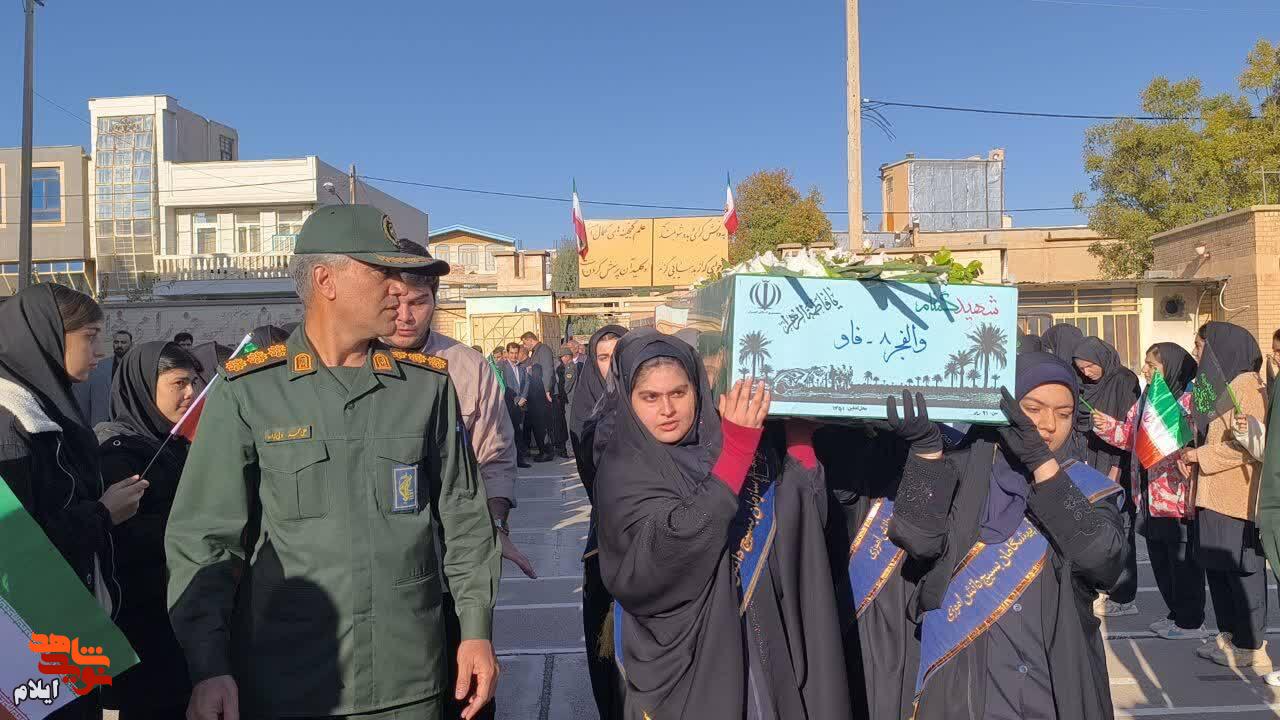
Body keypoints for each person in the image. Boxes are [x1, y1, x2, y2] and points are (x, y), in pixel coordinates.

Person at [165, 204, 501, 720]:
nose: (398, 290)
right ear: (326, 280)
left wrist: (475, 630)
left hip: (410, 677)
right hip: (290, 682)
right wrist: (208, 665)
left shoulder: (425, 387)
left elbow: (464, 518)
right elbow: (206, 540)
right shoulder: (248, 391)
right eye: (382, 272)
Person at [594, 330, 852, 719]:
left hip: (762, 643)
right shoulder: (623, 471)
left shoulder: (724, 439)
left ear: (697, 390)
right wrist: (735, 452)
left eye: (678, 393)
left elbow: (792, 525)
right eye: (650, 397)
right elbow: (666, 552)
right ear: (629, 402)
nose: (667, 409)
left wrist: (799, 442)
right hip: (693, 662)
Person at [907, 351, 1126, 720]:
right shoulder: (961, 470)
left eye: (1064, 414)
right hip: (968, 683)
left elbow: (1106, 564)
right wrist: (925, 454)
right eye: (1033, 409)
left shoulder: (1087, 486)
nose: (1049, 425)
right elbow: (916, 540)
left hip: (1053, 680)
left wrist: (1042, 465)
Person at [383, 238, 527, 720]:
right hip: (381, 576)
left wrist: (496, 525)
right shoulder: (350, 362)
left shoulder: (465, 366)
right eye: (394, 301)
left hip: (454, 571)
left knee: (466, 693)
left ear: (435, 300)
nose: (406, 316)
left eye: (419, 302)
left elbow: (497, 456)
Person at [0, 284, 144, 720]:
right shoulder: (10, 424)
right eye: (90, 336)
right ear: (44, 336)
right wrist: (103, 513)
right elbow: (16, 548)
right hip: (27, 642)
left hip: (64, 630)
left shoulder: (46, 408)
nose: (100, 351)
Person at [816, 393, 961, 720]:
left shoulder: (957, 441)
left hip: (913, 604)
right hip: (846, 594)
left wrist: (926, 445)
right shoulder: (841, 438)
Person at [97, 341, 200, 719]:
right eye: (178, 383)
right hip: (145, 626)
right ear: (142, 386)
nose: (190, 393)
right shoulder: (118, 451)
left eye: (193, 382)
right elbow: (126, 536)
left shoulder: (172, 443)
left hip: (182, 617)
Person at [1092, 343, 1207, 639]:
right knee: (1162, 562)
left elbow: (1196, 443)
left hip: (1176, 499)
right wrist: (1106, 426)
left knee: (1182, 565)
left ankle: (1191, 622)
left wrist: (1187, 453)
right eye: (1146, 364)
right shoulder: (1147, 398)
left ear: (1172, 369)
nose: (1145, 370)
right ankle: (1175, 615)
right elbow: (1132, 437)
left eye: (1153, 366)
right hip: (1148, 497)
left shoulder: (1188, 401)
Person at [1181, 321, 1270, 669]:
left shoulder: (1247, 385)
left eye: (1200, 345)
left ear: (1220, 347)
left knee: (1241, 571)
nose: (1195, 352)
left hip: (1235, 496)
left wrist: (1200, 456)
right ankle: (1230, 636)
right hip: (1209, 494)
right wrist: (1190, 455)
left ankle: (1252, 644)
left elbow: (1252, 447)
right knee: (1217, 569)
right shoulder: (1215, 385)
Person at [568, 325, 627, 720]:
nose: (612, 365)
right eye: (603, 357)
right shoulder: (588, 407)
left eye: (619, 354)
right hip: (607, 538)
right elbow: (589, 471)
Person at [1073, 338, 1142, 617]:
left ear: (1102, 359)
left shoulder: (1123, 381)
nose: (1087, 373)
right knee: (1097, 533)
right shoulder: (1084, 387)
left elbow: (1131, 430)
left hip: (1117, 466)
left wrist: (1116, 469)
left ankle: (1124, 596)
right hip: (1090, 462)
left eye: (1090, 366)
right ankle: (1101, 589)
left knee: (1120, 531)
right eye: (1081, 368)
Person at [74, 328, 133, 425]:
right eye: (116, 342)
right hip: (103, 422)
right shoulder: (99, 367)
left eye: (123, 342)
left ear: (131, 344)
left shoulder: (137, 367)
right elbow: (85, 398)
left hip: (129, 421)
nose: (119, 345)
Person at [517, 343, 554, 463]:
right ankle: (535, 450)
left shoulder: (531, 366)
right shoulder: (523, 365)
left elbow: (533, 384)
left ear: (522, 354)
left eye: (517, 353)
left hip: (535, 402)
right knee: (530, 428)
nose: (515, 356)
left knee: (540, 429)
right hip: (530, 403)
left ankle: (546, 452)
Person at [501, 341, 533, 468]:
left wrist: (524, 397)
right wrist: (517, 399)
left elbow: (527, 382)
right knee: (509, 433)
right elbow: (504, 386)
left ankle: (520, 460)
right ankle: (508, 461)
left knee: (519, 433)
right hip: (508, 405)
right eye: (512, 353)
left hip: (520, 406)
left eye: (516, 353)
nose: (514, 356)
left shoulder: (522, 367)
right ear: (507, 353)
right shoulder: (502, 368)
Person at [552, 347, 574, 458]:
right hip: (566, 401)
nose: (561, 360)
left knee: (569, 425)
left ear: (567, 357)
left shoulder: (570, 368)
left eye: (562, 357)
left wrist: (559, 396)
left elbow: (566, 386)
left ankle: (570, 450)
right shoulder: (567, 367)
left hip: (568, 401)